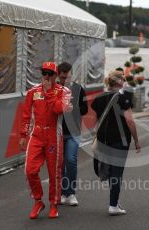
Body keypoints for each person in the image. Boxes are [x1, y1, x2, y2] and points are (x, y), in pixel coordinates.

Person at [20, 62, 71, 219]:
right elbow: (26, 115)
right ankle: (38, 201)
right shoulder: (33, 92)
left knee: (54, 172)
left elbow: (58, 109)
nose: (47, 77)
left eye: (50, 74)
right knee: (30, 170)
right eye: (44, 73)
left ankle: (53, 204)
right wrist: (23, 135)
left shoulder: (64, 91)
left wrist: (49, 92)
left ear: (56, 75)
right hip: (36, 136)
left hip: (54, 137)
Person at [91, 70, 141, 216]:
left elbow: (97, 120)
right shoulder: (123, 98)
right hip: (120, 140)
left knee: (109, 170)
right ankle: (113, 205)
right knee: (116, 173)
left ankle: (114, 201)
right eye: (123, 79)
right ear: (119, 82)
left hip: (103, 140)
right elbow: (130, 121)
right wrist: (137, 141)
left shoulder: (99, 98)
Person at [58, 62, 88, 206]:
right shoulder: (55, 89)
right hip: (58, 131)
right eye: (62, 78)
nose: (65, 81)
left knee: (70, 160)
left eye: (67, 77)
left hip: (74, 131)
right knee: (61, 163)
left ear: (71, 74)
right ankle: (63, 192)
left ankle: (71, 193)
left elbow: (85, 109)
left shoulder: (78, 89)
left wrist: (73, 107)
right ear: (58, 75)